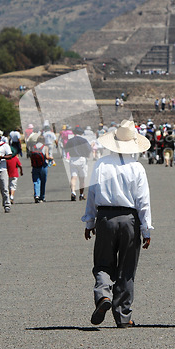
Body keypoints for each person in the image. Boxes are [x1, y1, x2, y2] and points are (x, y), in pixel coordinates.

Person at [82, 119, 153, 328]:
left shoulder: (101, 164)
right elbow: (143, 201)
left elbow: (92, 195)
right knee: (127, 267)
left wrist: (89, 222)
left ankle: (103, 294)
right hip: (129, 219)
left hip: (105, 218)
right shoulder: (137, 168)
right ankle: (123, 315)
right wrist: (146, 228)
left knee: (103, 262)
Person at [64, 126, 92, 201]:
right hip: (82, 159)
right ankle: (81, 194)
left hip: (73, 159)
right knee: (82, 178)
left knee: (73, 177)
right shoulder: (84, 140)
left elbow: (66, 149)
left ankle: (73, 192)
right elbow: (89, 149)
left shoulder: (70, 140)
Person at [30, 134, 52, 203]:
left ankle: (36, 195)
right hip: (43, 166)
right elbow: (47, 157)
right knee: (43, 181)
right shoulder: (45, 147)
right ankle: (42, 197)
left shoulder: (33, 147)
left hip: (35, 166)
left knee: (36, 181)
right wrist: (52, 158)